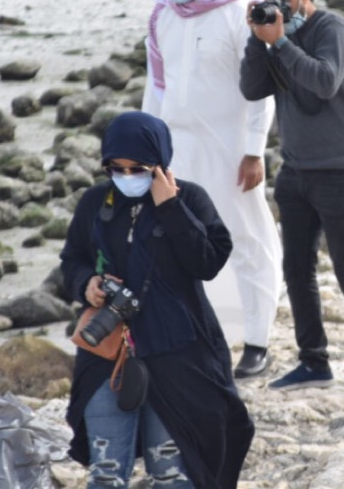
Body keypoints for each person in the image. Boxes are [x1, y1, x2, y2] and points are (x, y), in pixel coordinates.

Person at [60, 111, 254, 488]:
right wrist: (87, 284)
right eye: (116, 168)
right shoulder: (96, 202)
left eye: (138, 169)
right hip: (106, 351)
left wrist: (170, 207)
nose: (127, 176)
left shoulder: (189, 198)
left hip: (177, 355)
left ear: (160, 163)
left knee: (169, 473)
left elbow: (208, 262)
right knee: (105, 472)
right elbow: (72, 259)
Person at [238, 0, 344, 396]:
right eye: (268, 1)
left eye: (282, 0)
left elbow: (325, 81)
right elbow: (251, 89)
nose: (276, 9)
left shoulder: (332, 28)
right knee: (296, 270)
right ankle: (313, 362)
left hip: (342, 169)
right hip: (296, 170)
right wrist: (258, 39)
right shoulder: (273, 39)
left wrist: (281, 42)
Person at [143, 0, 283, 379]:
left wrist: (254, 151)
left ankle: (258, 341)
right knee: (184, 240)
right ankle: (210, 335)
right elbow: (156, 86)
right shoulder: (163, 16)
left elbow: (262, 87)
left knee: (246, 239)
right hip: (179, 148)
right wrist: (150, 152)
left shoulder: (239, 13)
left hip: (230, 147)